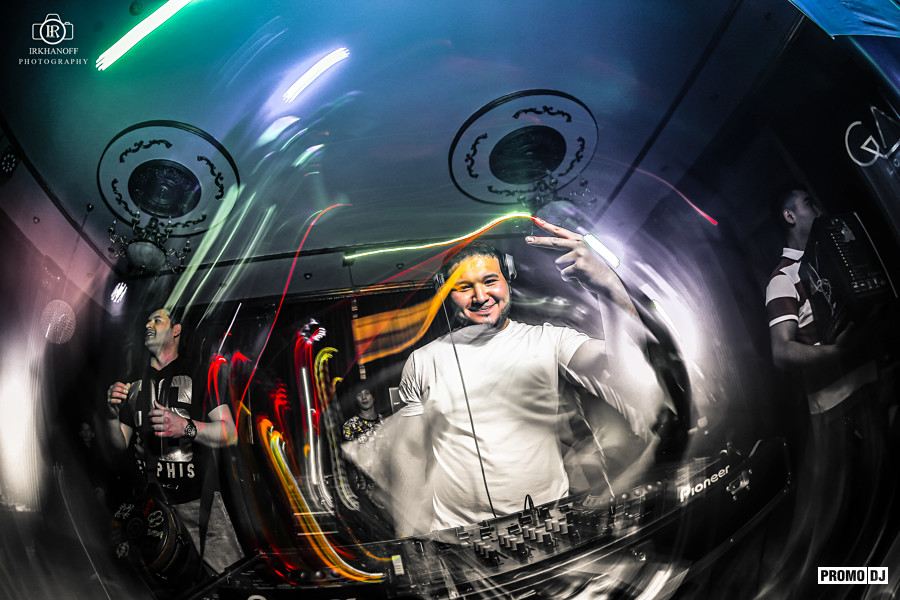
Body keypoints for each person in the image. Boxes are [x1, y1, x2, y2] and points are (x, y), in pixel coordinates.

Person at [390, 218, 673, 534]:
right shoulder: (422, 361)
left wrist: (608, 285)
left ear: (508, 278)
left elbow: (627, 372)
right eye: (464, 287)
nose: (480, 296)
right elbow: (409, 454)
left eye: (490, 280)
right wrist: (408, 534)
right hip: (458, 533)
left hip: (547, 524)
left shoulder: (548, 340)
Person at [761, 187, 893, 595]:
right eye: (809, 203)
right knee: (840, 526)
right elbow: (782, 352)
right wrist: (836, 353)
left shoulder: (835, 256)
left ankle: (882, 582)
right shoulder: (782, 279)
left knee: (881, 505)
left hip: (871, 391)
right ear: (789, 216)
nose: (819, 207)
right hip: (837, 412)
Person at [105, 307, 243, 586]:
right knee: (169, 587)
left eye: (157, 320)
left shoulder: (201, 373)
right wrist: (110, 414)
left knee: (230, 583)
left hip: (198, 503)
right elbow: (120, 443)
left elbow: (230, 433)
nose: (148, 324)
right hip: (152, 507)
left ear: (176, 330)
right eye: (146, 320)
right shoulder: (133, 382)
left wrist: (185, 427)